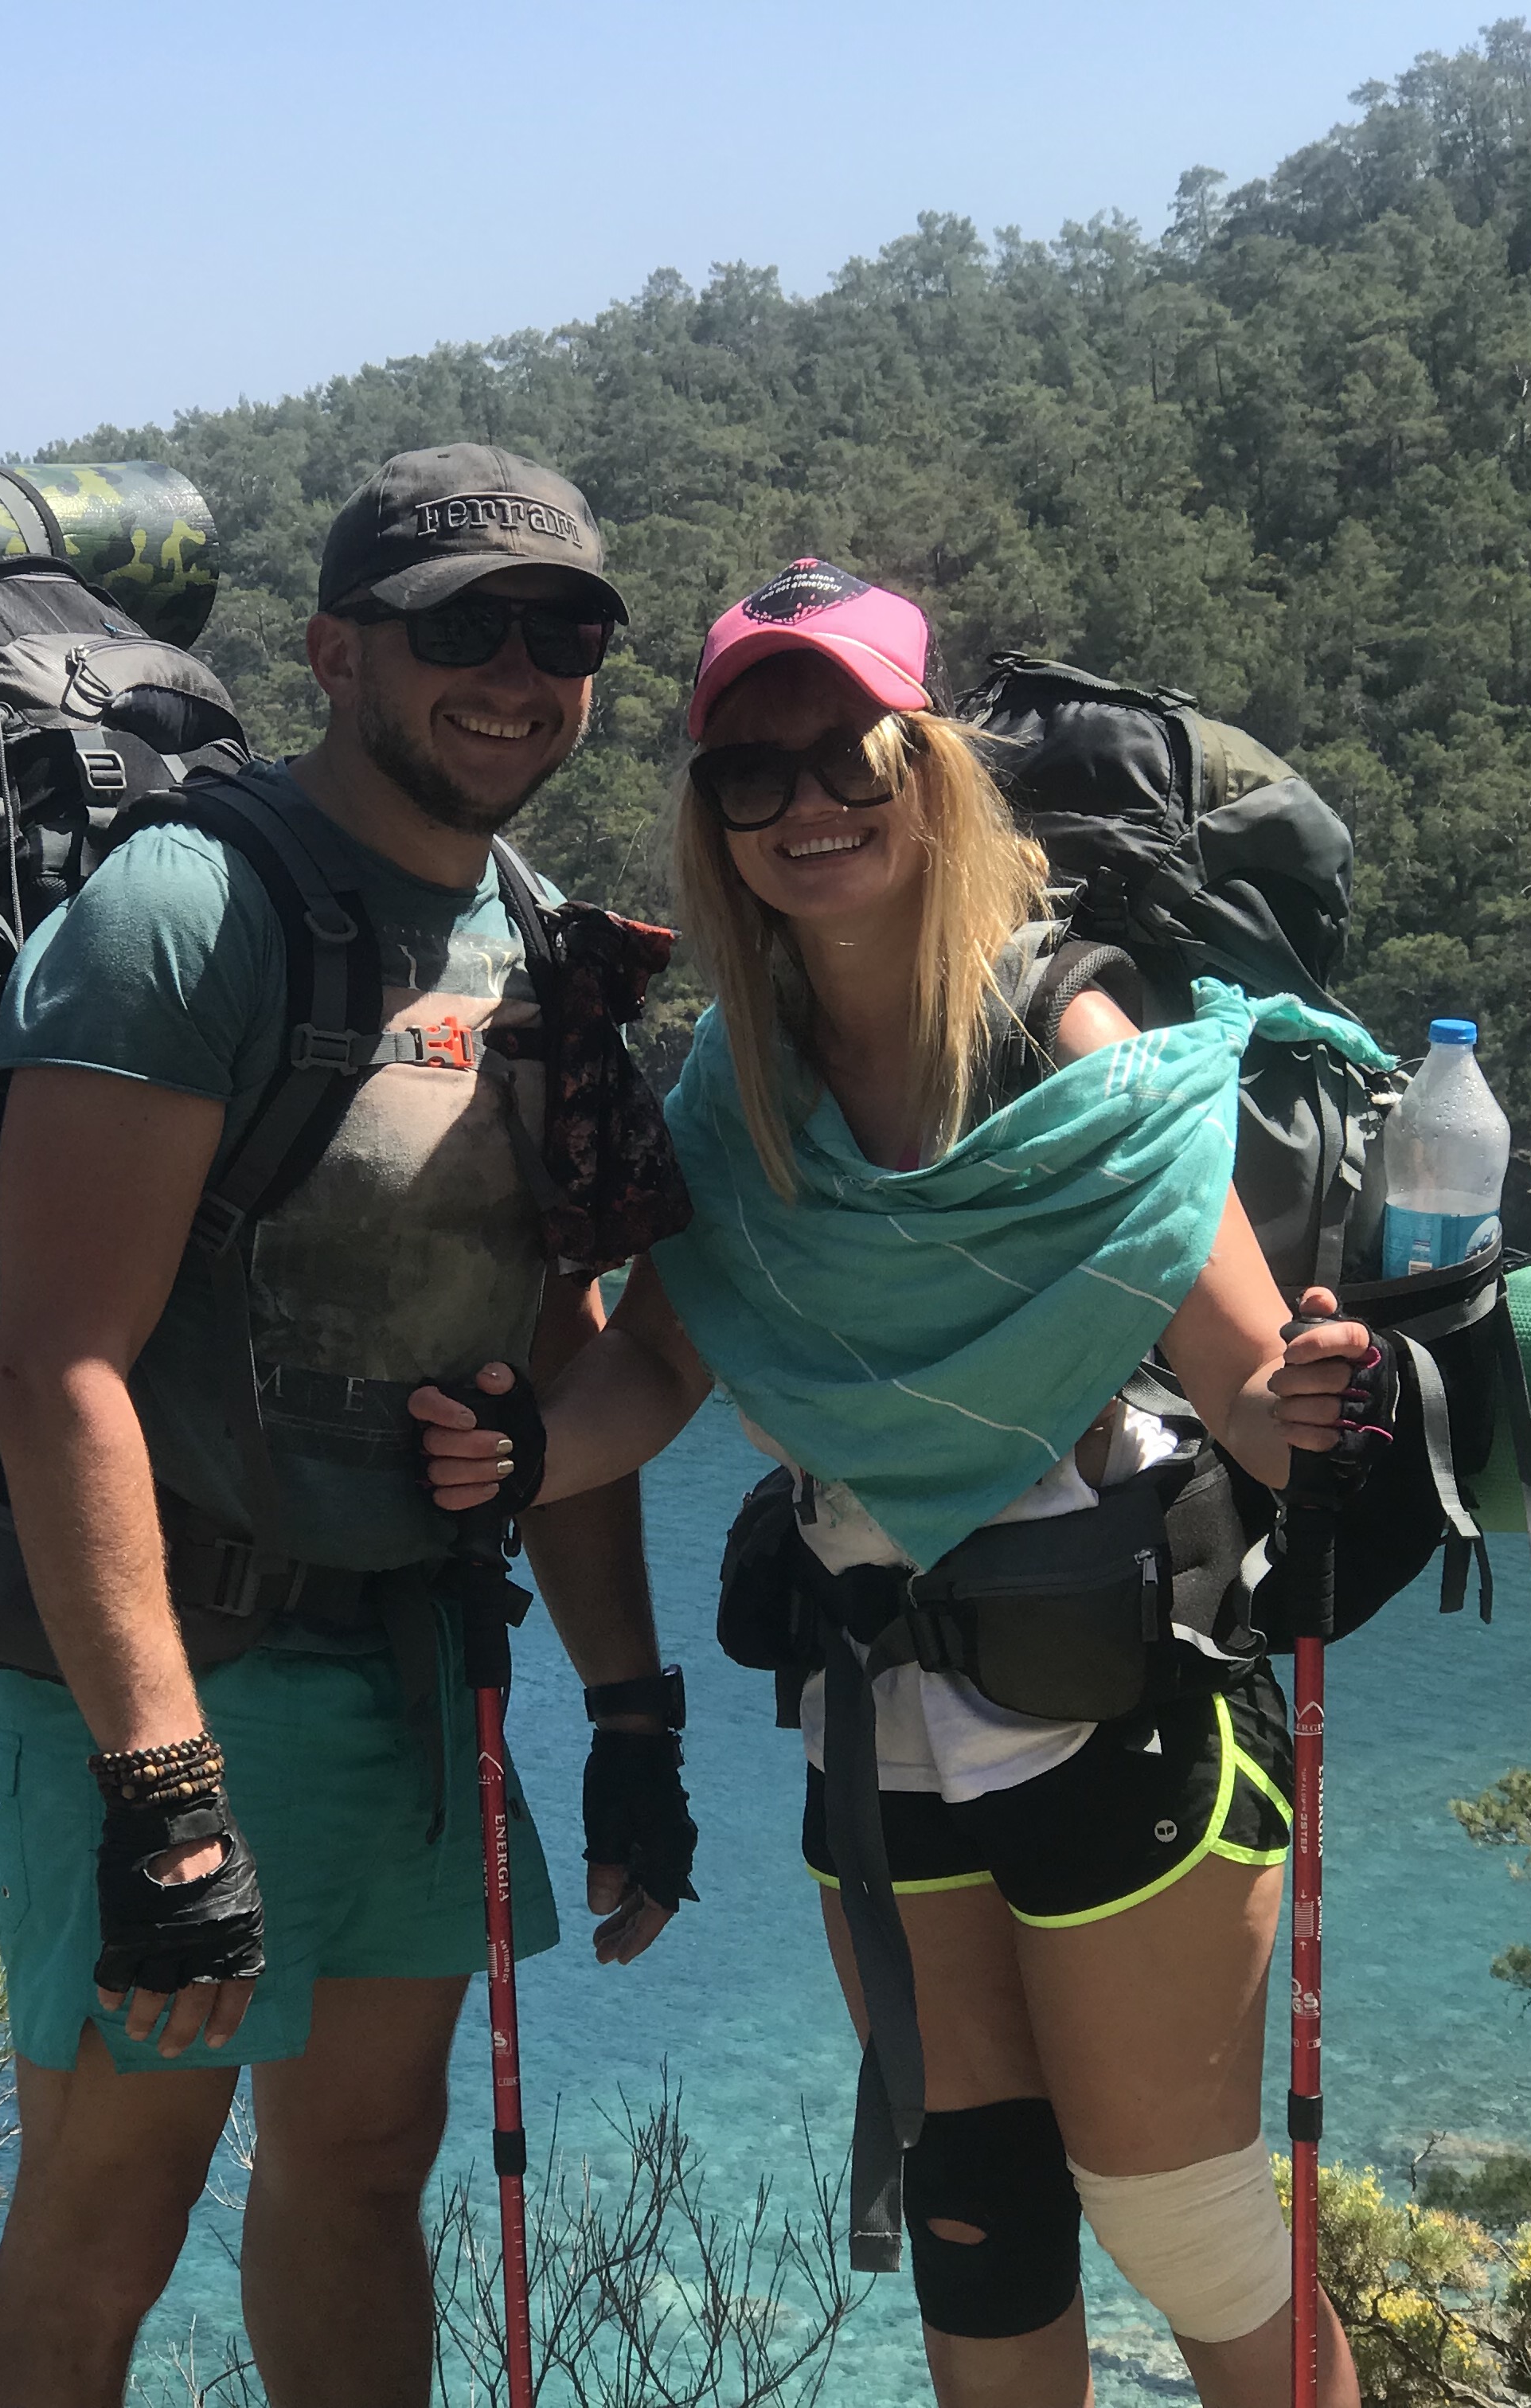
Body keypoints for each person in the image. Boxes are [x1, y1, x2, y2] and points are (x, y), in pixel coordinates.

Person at [415, 561, 1382, 2406]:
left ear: (926, 767)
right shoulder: (738, 1088)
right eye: (749, 773)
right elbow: (658, 1368)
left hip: (1122, 1692)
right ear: (711, 817)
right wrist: (527, 1448)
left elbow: (1250, 1389)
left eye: (848, 753)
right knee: (979, 2220)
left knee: (1181, 2222)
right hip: (880, 1719)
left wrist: (1328, 1398)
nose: (807, 804)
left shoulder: (1062, 1027)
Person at [0, 445, 698, 2408]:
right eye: (463, 629)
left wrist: (632, 1716)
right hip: (179, 1665)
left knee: (366, 2172)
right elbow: (57, 1368)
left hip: (416, 1670)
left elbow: (550, 1352)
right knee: (105, 2215)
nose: (516, 674)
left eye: (562, 633)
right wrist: (162, 1790)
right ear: (337, 653)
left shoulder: (538, 938)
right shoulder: (185, 913)